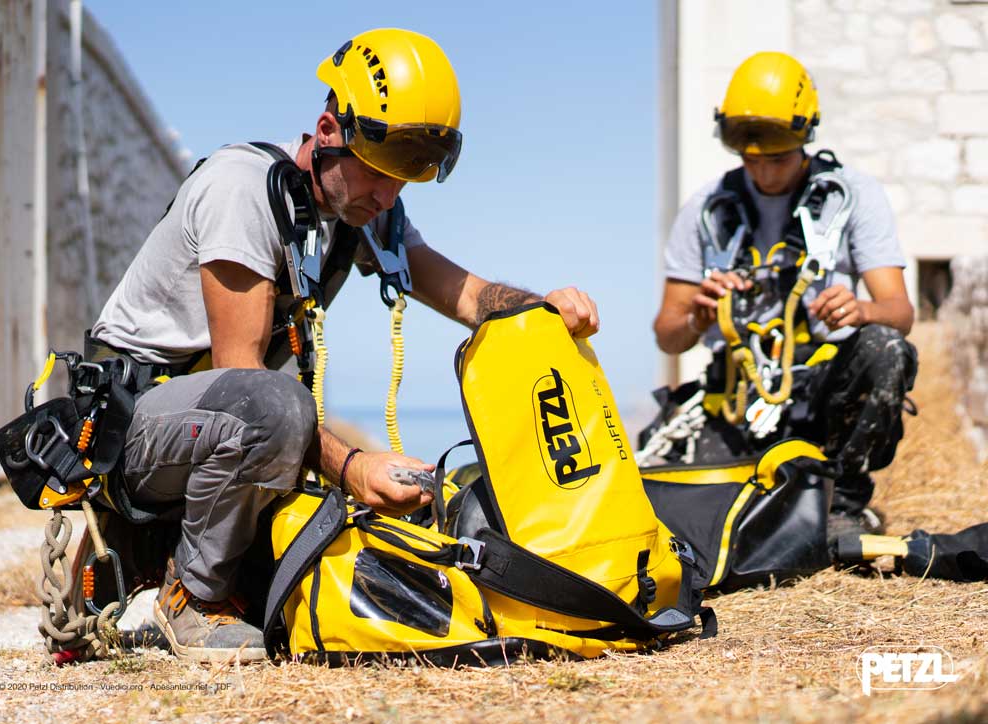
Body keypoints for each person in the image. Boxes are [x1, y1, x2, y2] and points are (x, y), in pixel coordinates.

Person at [89, 28, 599, 663]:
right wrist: (355, 469)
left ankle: (165, 567)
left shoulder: (359, 206)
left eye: (407, 178)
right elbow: (241, 377)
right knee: (274, 404)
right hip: (129, 429)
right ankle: (190, 601)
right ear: (329, 130)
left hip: (213, 427)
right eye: (380, 175)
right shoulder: (242, 191)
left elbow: (463, 295)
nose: (389, 197)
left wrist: (540, 309)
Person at [650, 52, 917, 542]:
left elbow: (899, 313)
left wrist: (861, 310)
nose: (764, 173)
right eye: (750, 159)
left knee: (885, 347)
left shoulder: (853, 197)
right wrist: (698, 315)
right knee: (688, 526)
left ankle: (846, 503)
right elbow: (668, 336)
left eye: (776, 158)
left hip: (822, 392)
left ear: (805, 136)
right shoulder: (706, 210)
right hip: (735, 399)